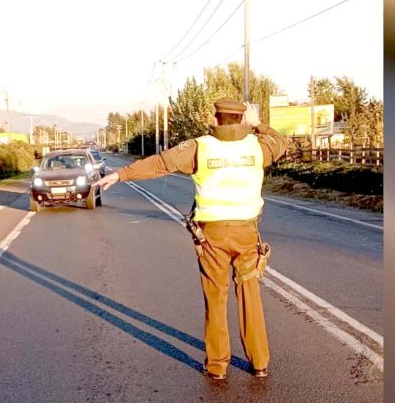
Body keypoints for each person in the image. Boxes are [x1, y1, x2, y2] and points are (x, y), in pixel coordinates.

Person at [94, 98, 287, 380]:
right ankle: (259, 363)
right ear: (242, 118)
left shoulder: (200, 146)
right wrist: (259, 125)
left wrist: (122, 174)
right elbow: (282, 142)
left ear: (217, 118)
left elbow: (160, 164)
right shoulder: (258, 146)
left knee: (216, 297)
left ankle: (217, 366)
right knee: (250, 295)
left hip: (212, 236)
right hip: (246, 233)